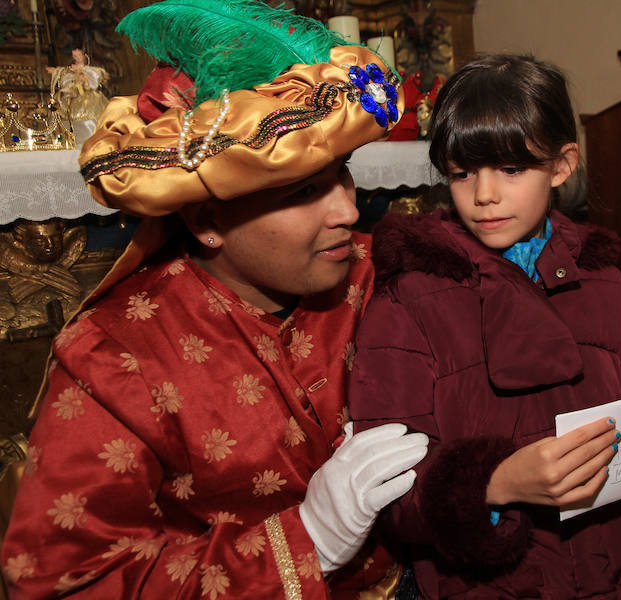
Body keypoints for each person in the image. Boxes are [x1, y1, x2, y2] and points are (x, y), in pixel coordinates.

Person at [1, 2, 428, 598]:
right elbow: (64, 582)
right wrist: (309, 539)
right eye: (305, 190)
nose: (349, 211)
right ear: (207, 219)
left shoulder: (383, 269)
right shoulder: (116, 357)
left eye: (343, 173)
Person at [348, 54, 621, 599]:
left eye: (512, 169)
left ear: (561, 166)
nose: (484, 194)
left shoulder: (607, 285)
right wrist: (496, 484)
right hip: (495, 584)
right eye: (462, 171)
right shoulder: (408, 299)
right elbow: (387, 491)